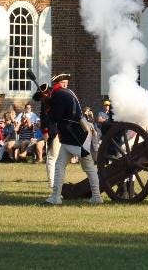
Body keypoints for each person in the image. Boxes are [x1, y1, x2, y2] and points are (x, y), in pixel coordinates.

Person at [43, 74, 101, 206]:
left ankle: (96, 196)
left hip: (74, 137)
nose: (64, 85)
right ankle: (56, 196)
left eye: (65, 83)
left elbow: (54, 118)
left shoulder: (59, 95)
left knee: (89, 168)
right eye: (63, 83)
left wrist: (48, 106)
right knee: (60, 165)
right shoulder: (68, 93)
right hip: (73, 136)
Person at [33, 83, 59, 189]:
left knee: (54, 159)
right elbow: (43, 117)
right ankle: (52, 183)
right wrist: (45, 131)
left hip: (59, 132)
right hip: (51, 133)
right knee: (51, 158)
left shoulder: (56, 99)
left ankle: (54, 182)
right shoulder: (44, 102)